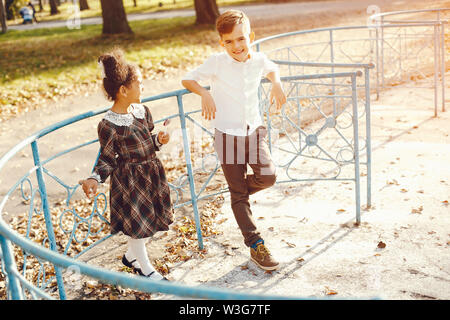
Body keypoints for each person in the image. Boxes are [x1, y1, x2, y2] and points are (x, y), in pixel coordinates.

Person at [181, 10, 286, 271]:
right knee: (239, 194)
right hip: (226, 135)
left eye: (241, 39)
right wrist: (204, 94)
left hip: (254, 131)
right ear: (222, 43)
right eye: (229, 41)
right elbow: (187, 78)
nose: (236, 46)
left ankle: (237, 195)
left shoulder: (259, 59)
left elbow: (273, 68)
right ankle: (255, 243)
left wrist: (276, 83)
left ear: (250, 36)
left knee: (269, 176)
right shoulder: (217, 62)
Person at [79, 48, 173, 281]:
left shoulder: (142, 112)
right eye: (139, 84)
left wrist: (158, 141)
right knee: (137, 225)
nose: (143, 87)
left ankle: (131, 257)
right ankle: (145, 267)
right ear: (123, 90)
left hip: (151, 174)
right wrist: (94, 178)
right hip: (130, 181)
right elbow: (108, 158)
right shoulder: (108, 125)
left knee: (149, 219)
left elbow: (147, 142)